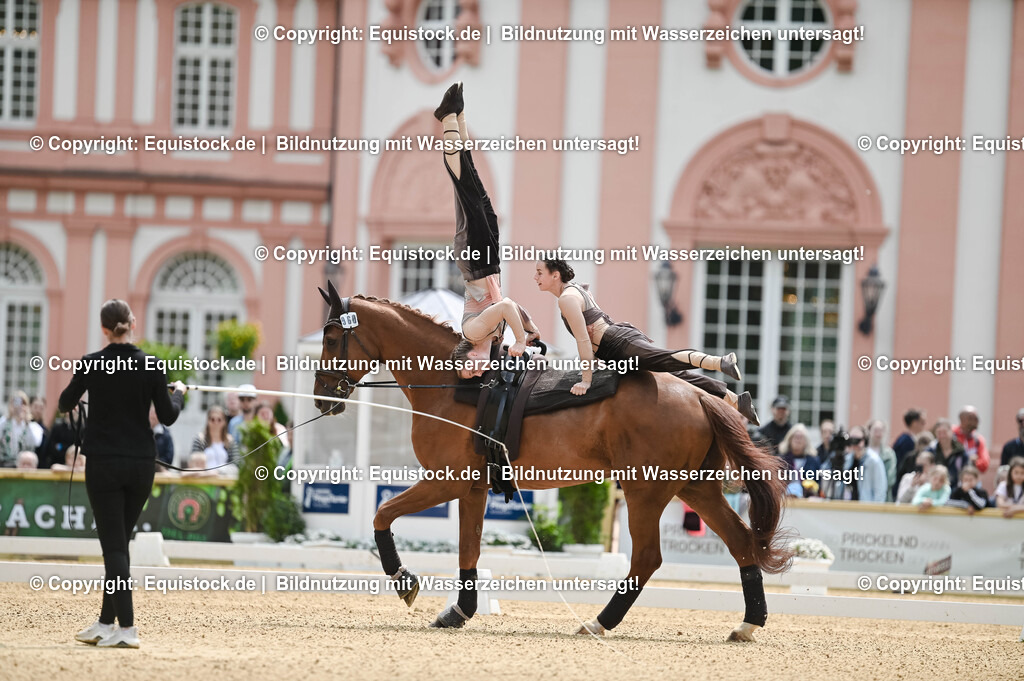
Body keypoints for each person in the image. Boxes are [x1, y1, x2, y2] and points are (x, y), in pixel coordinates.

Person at [59, 299, 187, 649]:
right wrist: (179, 394)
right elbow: (168, 415)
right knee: (118, 546)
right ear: (132, 323)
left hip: (104, 463)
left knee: (114, 548)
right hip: (141, 465)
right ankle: (104, 623)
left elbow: (64, 403)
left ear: (103, 328)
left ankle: (127, 628)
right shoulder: (152, 365)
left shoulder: (92, 364)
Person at [532, 258, 757, 424]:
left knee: (666, 360)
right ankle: (736, 400)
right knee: (675, 375)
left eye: (540, 272)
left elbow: (582, 340)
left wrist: (586, 380)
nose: (535, 277)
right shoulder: (574, 291)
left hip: (617, 343)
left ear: (555, 275)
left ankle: (721, 362)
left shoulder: (567, 299)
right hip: (613, 347)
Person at [435, 82, 541, 368]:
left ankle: (447, 119)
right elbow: (512, 306)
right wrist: (530, 328)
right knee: (477, 190)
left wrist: (519, 340)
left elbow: (504, 307)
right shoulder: (493, 338)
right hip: (488, 262)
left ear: (466, 353)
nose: (477, 370)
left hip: (475, 259)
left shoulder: (472, 333)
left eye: (468, 368)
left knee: (465, 188)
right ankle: (458, 115)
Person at [842, 425, 887, 502]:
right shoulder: (847, 460)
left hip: (866, 508)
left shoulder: (874, 461)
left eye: (857, 440)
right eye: (851, 439)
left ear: (865, 440)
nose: (854, 443)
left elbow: (880, 491)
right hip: (848, 507)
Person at [190, 405, 239, 471]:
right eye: (212, 419)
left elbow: (236, 463)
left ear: (224, 422)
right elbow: (194, 463)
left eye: (219, 420)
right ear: (208, 421)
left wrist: (218, 471)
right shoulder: (200, 439)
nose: (216, 423)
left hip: (225, 478)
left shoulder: (230, 441)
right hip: (204, 478)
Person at [778, 424, 820, 497]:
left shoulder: (814, 461)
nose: (798, 440)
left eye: (801, 437)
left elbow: (819, 484)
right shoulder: (781, 460)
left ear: (806, 441)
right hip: (784, 498)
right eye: (795, 437)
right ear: (790, 440)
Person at [0, 391, 39, 467]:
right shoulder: (4, 422)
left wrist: (26, 421)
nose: (20, 406)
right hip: (5, 464)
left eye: (23, 404)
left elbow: (36, 442)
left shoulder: (32, 425)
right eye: (17, 403)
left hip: (24, 466)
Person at [865, 419, 897, 501]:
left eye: (881, 430)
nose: (878, 434)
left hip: (884, 499)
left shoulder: (889, 454)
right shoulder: (863, 453)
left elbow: (891, 478)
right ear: (869, 431)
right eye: (875, 430)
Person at [929, 418, 967, 485]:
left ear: (951, 432)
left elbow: (966, 472)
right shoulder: (931, 451)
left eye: (944, 432)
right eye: (939, 433)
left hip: (955, 490)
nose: (942, 436)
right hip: (935, 489)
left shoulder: (961, 452)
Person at [952, 406, 990, 473]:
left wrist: (975, 462)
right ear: (962, 419)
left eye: (976, 418)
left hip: (970, 478)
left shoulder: (978, 439)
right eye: (971, 418)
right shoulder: (951, 435)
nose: (976, 421)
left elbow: (984, 464)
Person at [891, 407, 926, 472]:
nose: (924, 425)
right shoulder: (906, 441)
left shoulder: (909, 439)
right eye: (922, 422)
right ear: (914, 423)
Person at [150, 406, 175, 470]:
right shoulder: (142, 432)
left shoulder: (166, 435)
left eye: (155, 414)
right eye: (151, 413)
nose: (153, 416)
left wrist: (157, 465)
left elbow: (169, 457)